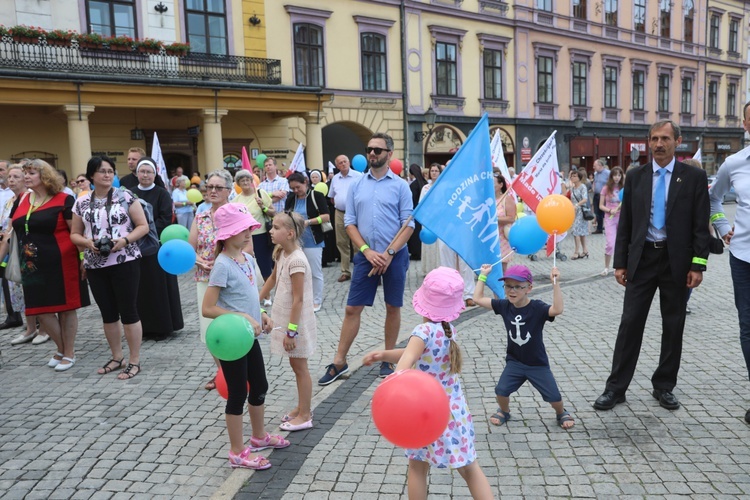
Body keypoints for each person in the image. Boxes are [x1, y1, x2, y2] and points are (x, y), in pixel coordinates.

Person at [593, 120, 710, 411]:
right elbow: (626, 224)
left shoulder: (692, 178)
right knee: (630, 323)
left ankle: (664, 386)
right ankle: (616, 388)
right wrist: (620, 262)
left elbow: (700, 226)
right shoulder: (636, 176)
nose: (659, 144)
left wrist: (698, 266)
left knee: (673, 325)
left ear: (677, 141)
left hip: (676, 263)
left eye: (665, 139)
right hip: (642, 260)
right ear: (648, 142)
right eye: (654, 139)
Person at [362, 267, 493, 499]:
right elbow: (416, 353)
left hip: (423, 413)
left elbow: (408, 361)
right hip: (452, 412)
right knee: (470, 467)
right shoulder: (449, 331)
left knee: (417, 466)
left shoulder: (422, 330)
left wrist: (389, 388)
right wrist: (384, 354)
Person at [318, 133, 414, 385]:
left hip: (394, 256)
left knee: (393, 306)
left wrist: (389, 254)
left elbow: (408, 224)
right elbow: (349, 223)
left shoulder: (401, 186)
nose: (372, 153)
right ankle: (339, 362)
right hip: (365, 257)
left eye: (378, 150)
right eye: (369, 149)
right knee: (352, 308)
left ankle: (388, 358)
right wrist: (367, 252)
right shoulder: (357, 185)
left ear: (389, 154)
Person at [202, 203, 289, 470]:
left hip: (248, 337)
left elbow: (250, 297)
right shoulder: (222, 265)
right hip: (231, 340)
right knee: (238, 392)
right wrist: (244, 318)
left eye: (249, 228)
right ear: (227, 235)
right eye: (242, 229)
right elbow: (208, 308)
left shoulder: (248, 259)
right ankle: (237, 451)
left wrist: (260, 313)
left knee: (260, 385)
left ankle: (259, 436)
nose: (249, 232)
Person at [0, 159, 90, 371]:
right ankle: (62, 348)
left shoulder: (64, 199)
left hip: (62, 260)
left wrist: (83, 259)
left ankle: (67, 353)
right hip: (31, 263)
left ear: (45, 176)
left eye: (31, 173)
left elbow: (76, 231)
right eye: (25, 173)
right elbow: (11, 232)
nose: (26, 177)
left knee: (66, 309)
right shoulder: (22, 199)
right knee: (40, 309)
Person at [71, 155, 150, 379]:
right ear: (91, 176)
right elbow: (74, 234)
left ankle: (134, 360)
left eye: (110, 171)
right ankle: (117, 357)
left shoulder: (125, 195)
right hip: (95, 264)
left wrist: (123, 241)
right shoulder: (82, 201)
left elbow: (142, 226)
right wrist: (87, 243)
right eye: (102, 171)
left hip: (125, 260)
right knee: (107, 314)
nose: (107, 175)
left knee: (129, 311)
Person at [473, 264, 575, 429]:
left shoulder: (537, 307)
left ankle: (561, 412)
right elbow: (477, 299)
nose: (512, 291)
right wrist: (483, 275)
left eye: (518, 287)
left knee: (554, 397)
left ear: (529, 288)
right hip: (515, 362)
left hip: (537, 364)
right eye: (508, 286)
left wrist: (555, 283)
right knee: (501, 390)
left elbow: (557, 309)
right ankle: (504, 411)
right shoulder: (504, 306)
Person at [709, 101, 750, 423]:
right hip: (743, 257)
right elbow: (714, 198)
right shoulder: (734, 163)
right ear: (746, 125)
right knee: (748, 328)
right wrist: (723, 226)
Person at [259, 211, 316, 431]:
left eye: (275, 228)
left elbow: (298, 300)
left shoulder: (297, 261)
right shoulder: (282, 253)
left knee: (301, 367)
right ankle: (301, 406)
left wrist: (291, 333)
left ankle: (305, 414)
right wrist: (257, 298)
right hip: (287, 319)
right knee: (295, 364)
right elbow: (273, 278)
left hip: (296, 323)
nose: (270, 231)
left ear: (290, 233)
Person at [189, 169, 238, 391]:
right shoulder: (200, 216)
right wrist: (199, 260)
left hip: (231, 278)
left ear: (229, 190)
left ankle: (237, 371)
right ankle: (222, 374)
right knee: (211, 330)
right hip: (206, 277)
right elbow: (191, 248)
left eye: (219, 187)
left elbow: (247, 246)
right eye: (210, 187)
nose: (213, 191)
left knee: (232, 324)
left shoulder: (238, 212)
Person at [130, 157, 184, 340]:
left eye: (149, 171)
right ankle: (142, 327)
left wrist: (145, 232)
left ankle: (162, 327)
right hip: (135, 248)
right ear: (137, 174)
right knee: (139, 288)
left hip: (156, 247)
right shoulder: (129, 194)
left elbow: (165, 218)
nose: (145, 175)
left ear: (155, 174)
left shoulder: (162, 194)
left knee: (157, 288)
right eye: (142, 171)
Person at [4, 163, 46, 345]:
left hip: (36, 249)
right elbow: (10, 228)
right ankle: (31, 328)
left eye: (17, 176)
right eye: (9, 177)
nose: (12, 180)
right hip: (21, 249)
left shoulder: (32, 197)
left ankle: (44, 329)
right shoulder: (16, 200)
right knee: (25, 290)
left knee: (39, 290)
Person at [285, 172, 330, 312]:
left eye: (298, 187)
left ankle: (316, 300)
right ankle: (299, 299)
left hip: (313, 240)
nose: (296, 191)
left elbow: (326, 216)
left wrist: (308, 222)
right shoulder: (291, 198)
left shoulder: (316, 196)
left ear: (305, 182)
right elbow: (286, 215)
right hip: (295, 241)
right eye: (293, 188)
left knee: (314, 272)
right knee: (296, 271)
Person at [232, 169, 275, 280]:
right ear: (238, 183)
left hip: (261, 235)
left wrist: (263, 207)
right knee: (246, 265)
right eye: (242, 181)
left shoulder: (260, 193)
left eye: (247, 180)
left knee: (265, 264)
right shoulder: (236, 200)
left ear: (251, 181)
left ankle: (267, 295)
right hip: (244, 238)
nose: (245, 183)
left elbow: (273, 213)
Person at [328, 155, 363, 283]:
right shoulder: (335, 179)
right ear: (337, 166)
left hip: (355, 213)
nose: (343, 164)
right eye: (340, 163)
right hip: (340, 212)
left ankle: (360, 270)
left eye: (345, 162)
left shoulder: (358, 176)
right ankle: (345, 271)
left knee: (357, 242)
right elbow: (332, 197)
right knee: (341, 242)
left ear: (349, 162)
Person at [0, 159, 23, 331]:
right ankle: (13, 314)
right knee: (6, 277)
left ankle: (34, 319)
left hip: (17, 243)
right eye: (10, 177)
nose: (11, 179)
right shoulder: (9, 200)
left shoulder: (21, 196)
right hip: (5, 240)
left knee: (19, 279)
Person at [598, 166, 624, 276]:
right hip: (609, 218)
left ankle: (619, 266)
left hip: (622, 218)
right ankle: (606, 267)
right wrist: (610, 210)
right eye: (615, 175)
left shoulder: (624, 188)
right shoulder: (605, 188)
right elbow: (600, 206)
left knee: (621, 243)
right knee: (610, 243)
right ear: (611, 176)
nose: (617, 177)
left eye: (619, 175)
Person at [420, 163, 443, 276]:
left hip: (440, 219)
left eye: (436, 171)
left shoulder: (443, 186)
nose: (434, 173)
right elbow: (421, 204)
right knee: (429, 246)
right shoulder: (425, 187)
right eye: (432, 171)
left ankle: (440, 267)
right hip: (428, 219)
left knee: (439, 245)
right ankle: (428, 269)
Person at [494, 169, 517, 272]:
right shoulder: (487, 200)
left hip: (502, 236)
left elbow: (511, 218)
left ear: (500, 185)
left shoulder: (506, 199)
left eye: (493, 183)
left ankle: (502, 287)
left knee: (502, 267)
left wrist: (495, 220)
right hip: (489, 238)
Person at [568, 169, 590, 259]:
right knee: (581, 232)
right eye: (572, 176)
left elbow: (585, 199)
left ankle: (576, 252)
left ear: (579, 178)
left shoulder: (583, 187)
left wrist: (577, 205)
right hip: (575, 212)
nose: (572, 178)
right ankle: (585, 250)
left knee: (576, 231)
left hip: (581, 211)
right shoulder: (572, 188)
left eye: (575, 176)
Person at [406, 163, 427, 261]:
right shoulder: (424, 182)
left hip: (415, 211)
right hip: (423, 212)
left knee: (415, 235)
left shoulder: (413, 185)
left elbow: (411, 199)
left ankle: (415, 253)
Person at [592, 159, 610, 234]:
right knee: (597, 212)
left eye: (595, 166)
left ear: (600, 165)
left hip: (604, 195)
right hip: (596, 195)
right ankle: (599, 228)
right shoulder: (596, 174)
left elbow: (610, 183)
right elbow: (595, 182)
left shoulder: (608, 173)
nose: (593, 167)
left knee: (604, 212)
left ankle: (607, 227)